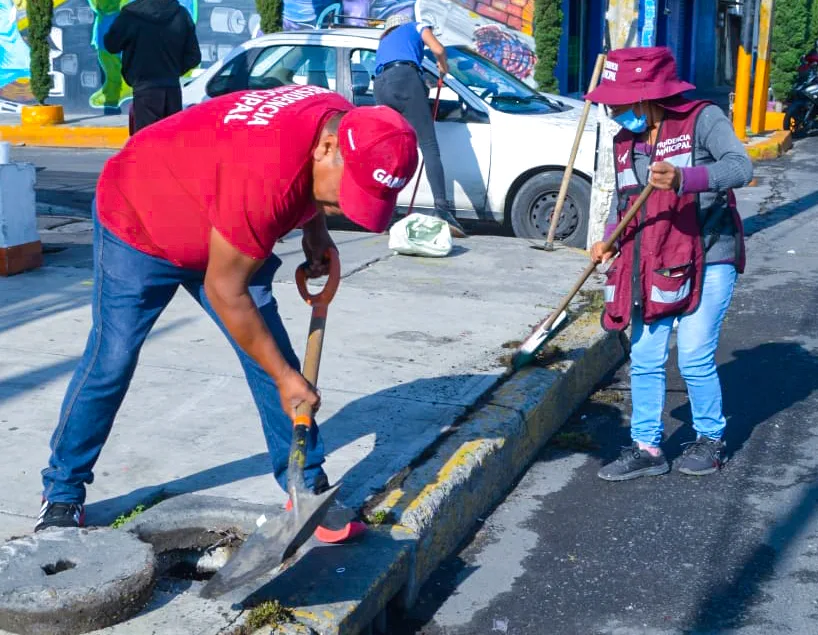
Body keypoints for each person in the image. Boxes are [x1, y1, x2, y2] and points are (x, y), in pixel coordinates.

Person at [35, 85, 419, 542]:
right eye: (341, 200)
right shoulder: (265, 171)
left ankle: (306, 484)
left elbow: (307, 191)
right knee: (112, 358)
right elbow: (224, 288)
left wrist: (316, 229)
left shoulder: (344, 126)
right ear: (328, 147)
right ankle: (62, 492)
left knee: (272, 358)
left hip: (224, 225)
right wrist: (282, 375)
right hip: (139, 219)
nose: (340, 210)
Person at [586, 47, 753, 482]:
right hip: (651, 258)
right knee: (644, 355)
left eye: (620, 103)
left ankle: (710, 439)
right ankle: (646, 447)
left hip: (708, 251)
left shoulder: (702, 118)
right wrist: (607, 240)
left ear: (648, 99)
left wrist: (686, 179)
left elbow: (740, 166)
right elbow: (622, 201)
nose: (613, 110)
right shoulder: (625, 141)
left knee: (695, 354)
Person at [373, 13, 468, 238]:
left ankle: (385, 211)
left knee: (392, 152)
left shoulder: (385, 41)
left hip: (380, 85)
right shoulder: (415, 26)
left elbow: (398, 71)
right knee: (429, 146)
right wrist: (443, 66)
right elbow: (438, 49)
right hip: (404, 78)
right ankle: (442, 210)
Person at [104, 0, 201, 134]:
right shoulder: (181, 14)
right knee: (170, 143)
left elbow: (111, 45)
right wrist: (173, 71)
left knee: (146, 144)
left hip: (144, 89)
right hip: (172, 90)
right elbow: (194, 56)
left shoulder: (131, 15)